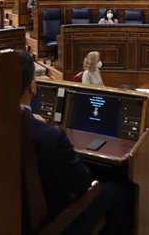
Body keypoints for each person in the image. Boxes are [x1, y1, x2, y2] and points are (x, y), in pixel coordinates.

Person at [16, 50, 128, 235]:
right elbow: (83, 183)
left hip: (15, 218)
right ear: (33, 87)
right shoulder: (50, 136)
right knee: (120, 190)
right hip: (57, 220)